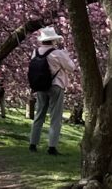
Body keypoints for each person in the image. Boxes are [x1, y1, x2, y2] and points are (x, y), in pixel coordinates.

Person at [28, 26, 75, 155]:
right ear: (53, 40)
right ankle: (52, 147)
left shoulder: (35, 52)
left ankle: (33, 144)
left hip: (41, 86)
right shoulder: (57, 53)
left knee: (39, 114)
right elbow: (71, 67)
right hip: (56, 85)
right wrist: (66, 55)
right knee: (55, 116)